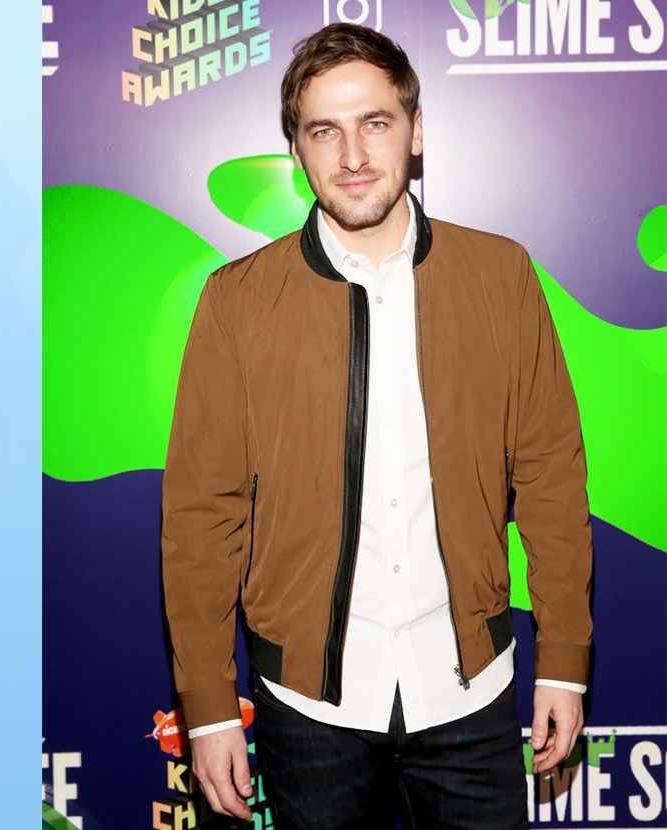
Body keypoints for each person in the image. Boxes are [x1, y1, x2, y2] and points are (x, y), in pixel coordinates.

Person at [161, 23, 592, 830]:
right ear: (298, 150)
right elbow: (201, 518)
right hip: (308, 710)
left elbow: (551, 480)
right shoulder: (237, 302)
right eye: (324, 130)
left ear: (416, 131)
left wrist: (565, 661)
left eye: (376, 123)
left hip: (471, 690)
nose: (352, 154)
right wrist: (210, 706)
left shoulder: (501, 276)